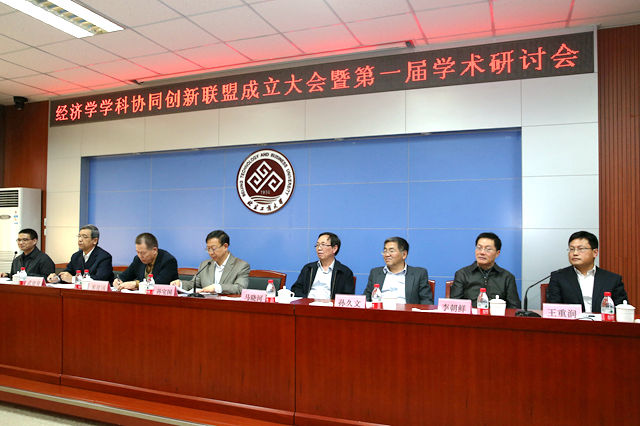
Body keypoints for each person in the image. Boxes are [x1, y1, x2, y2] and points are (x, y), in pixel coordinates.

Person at [547, 231, 627, 313]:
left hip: (602, 321)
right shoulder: (559, 277)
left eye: (581, 249)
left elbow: (621, 311)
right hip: (571, 321)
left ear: (595, 252)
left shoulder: (612, 280)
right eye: (571, 249)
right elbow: (553, 310)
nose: (575, 253)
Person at [450, 232, 521, 308]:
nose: (482, 252)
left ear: (497, 253)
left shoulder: (507, 277)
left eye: (488, 249)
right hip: (470, 315)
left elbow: (514, 308)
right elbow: (454, 306)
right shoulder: (462, 274)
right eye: (479, 248)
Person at [171, 230, 249, 294]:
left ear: (225, 246)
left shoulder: (241, 266)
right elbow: (194, 284)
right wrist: (180, 284)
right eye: (208, 249)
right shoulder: (205, 264)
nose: (211, 252)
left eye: (213, 248)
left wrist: (217, 288)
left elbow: (240, 288)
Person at [364, 237, 432, 305]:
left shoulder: (419, 274)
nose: (387, 255)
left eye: (391, 251)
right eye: (385, 251)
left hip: (406, 311)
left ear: (404, 254)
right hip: (379, 310)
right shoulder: (375, 273)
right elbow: (366, 298)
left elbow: (426, 302)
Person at [291, 232, 354, 299]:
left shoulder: (344, 272)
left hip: (330, 305)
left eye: (323, 245)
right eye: (317, 245)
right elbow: (296, 289)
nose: (319, 248)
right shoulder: (308, 268)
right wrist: (307, 300)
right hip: (308, 304)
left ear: (334, 248)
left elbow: (347, 298)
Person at [47, 225, 113, 283]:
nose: (80, 240)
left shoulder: (104, 257)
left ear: (95, 241)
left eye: (85, 237)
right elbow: (68, 273)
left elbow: (100, 279)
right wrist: (57, 278)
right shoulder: (76, 256)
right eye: (79, 236)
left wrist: (74, 279)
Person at [114, 233, 178, 290]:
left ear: (154, 250)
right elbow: (125, 276)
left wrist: (136, 284)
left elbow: (158, 284)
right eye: (137, 252)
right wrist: (118, 281)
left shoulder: (169, 261)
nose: (140, 256)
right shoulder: (138, 259)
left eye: (143, 253)